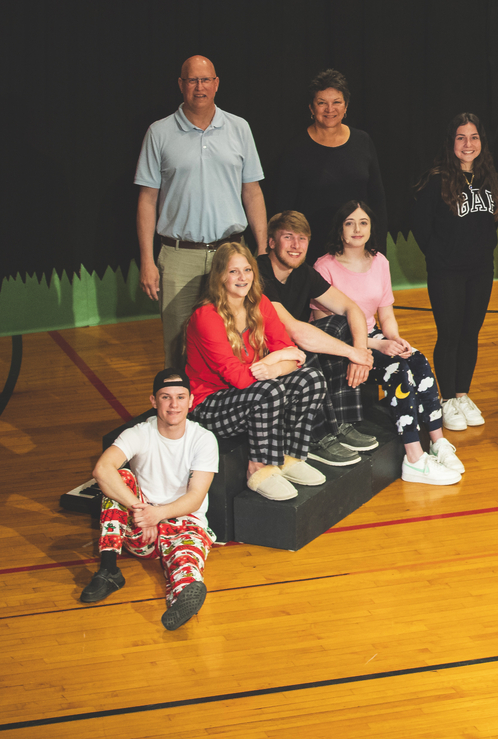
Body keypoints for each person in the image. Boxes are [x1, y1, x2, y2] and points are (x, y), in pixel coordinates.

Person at [313, 201, 463, 486]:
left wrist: (395, 340)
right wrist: (376, 346)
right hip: (344, 345)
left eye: (364, 223)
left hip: (376, 337)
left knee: (417, 359)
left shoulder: (379, 261)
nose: (357, 229)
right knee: (397, 370)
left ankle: (438, 441)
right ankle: (414, 459)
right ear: (340, 228)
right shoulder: (324, 266)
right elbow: (324, 327)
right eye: (349, 223)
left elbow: (386, 314)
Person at [136, 55, 268, 370]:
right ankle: (181, 416)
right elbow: (146, 199)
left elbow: (252, 191)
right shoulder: (159, 133)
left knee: (235, 337)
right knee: (178, 344)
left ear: (216, 84)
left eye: (205, 79)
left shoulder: (239, 128)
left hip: (232, 252)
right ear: (181, 85)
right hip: (179, 256)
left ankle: (227, 413)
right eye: (192, 80)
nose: (199, 87)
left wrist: (261, 250)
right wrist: (146, 260)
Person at [185, 243, 331, 501]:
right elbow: (238, 378)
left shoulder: (260, 303)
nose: (242, 278)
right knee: (269, 390)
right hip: (211, 404)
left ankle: (290, 458)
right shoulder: (206, 316)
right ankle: (259, 468)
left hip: (253, 391)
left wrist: (277, 360)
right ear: (220, 276)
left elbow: (294, 356)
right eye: (233, 272)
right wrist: (277, 359)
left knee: (312, 379)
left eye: (247, 270)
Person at [79, 368, 218, 630]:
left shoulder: (204, 440)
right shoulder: (139, 432)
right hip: (142, 530)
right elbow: (102, 470)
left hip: (185, 525)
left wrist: (158, 514)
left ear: (191, 400)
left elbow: (195, 498)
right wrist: (141, 510)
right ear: (153, 401)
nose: (173, 405)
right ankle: (109, 570)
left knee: (187, 565)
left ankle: (180, 599)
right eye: (165, 397)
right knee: (120, 476)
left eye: (180, 397)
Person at [257, 210, 380, 464]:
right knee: (305, 344)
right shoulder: (258, 272)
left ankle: (342, 424)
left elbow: (351, 309)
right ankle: (318, 436)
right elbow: (293, 329)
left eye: (302, 239)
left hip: (290, 348)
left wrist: (359, 352)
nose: (296, 246)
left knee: (340, 326)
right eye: (288, 237)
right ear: (271, 242)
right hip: (263, 356)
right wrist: (352, 353)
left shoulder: (303, 272)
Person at [412, 112, 498, 431]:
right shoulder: (437, 179)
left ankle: (463, 394)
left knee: (470, 333)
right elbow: (421, 228)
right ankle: (446, 399)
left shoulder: (488, 176)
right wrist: (441, 257)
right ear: (451, 143)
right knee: (449, 334)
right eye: (461, 137)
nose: (468, 143)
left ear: (482, 142)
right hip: (446, 272)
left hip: (480, 270)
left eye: (474, 137)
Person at [274, 69, 389, 243]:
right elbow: (284, 209)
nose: (330, 109)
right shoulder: (295, 149)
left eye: (336, 102)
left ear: (346, 105)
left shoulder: (363, 141)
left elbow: (377, 202)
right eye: (322, 103)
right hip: (313, 250)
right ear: (311, 108)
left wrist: (378, 250)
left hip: (358, 249)